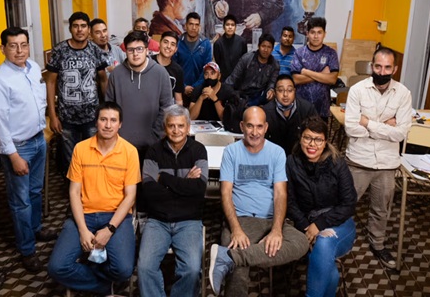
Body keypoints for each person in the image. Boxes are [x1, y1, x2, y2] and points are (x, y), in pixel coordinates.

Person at [208, 107, 308, 296]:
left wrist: (276, 230)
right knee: (238, 270)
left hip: (270, 219)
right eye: (250, 126)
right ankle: (235, 259)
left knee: (301, 242)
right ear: (242, 126)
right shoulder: (231, 152)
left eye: (259, 126)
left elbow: (280, 194)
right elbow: (225, 193)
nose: (255, 132)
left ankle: (229, 258)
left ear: (266, 127)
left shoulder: (277, 152)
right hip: (241, 219)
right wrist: (236, 229)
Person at [0, 27, 56, 273]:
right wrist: (13, 156)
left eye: (23, 45)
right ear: (2, 48)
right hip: (19, 148)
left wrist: (43, 133)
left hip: (38, 140)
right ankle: (27, 249)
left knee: (35, 191)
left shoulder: (34, 68)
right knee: (20, 201)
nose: (19, 50)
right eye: (13, 46)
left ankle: (36, 229)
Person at [47, 102, 140, 295]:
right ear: (96, 122)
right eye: (103, 119)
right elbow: (74, 192)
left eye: (113, 120)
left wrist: (109, 229)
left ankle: (93, 269)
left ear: (120, 124)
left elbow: (130, 196)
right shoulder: (80, 149)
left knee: (123, 269)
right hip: (84, 215)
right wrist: (82, 230)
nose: (108, 125)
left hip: (116, 216)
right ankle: (104, 285)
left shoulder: (130, 151)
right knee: (57, 267)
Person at [345, 46, 412, 269]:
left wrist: (368, 123)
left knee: (381, 208)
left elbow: (400, 133)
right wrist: (385, 125)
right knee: (346, 203)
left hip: (387, 162)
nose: (382, 72)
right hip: (359, 159)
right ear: (371, 66)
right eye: (378, 66)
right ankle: (337, 240)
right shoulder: (357, 90)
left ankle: (378, 243)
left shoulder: (403, 94)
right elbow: (350, 128)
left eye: (387, 67)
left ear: (395, 69)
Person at [138, 105, 208, 297]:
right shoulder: (153, 152)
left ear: (188, 127)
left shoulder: (198, 150)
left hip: (189, 220)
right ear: (165, 127)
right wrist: (185, 185)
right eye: (171, 126)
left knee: (192, 269)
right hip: (157, 220)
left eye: (180, 126)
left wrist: (164, 179)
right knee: (145, 267)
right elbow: (149, 192)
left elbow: (198, 189)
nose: (176, 130)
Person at [286, 116, 357, 297]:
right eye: (307, 138)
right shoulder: (291, 162)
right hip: (305, 224)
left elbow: (349, 203)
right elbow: (289, 201)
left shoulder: (337, 163)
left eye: (318, 139)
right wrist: (306, 227)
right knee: (326, 259)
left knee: (324, 242)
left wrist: (319, 225)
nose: (312, 144)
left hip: (340, 223)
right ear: (300, 138)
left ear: (325, 142)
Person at [46, 11, 108, 172]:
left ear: (88, 29)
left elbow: (103, 79)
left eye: (83, 26)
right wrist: (53, 115)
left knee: (93, 157)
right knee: (69, 160)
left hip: (91, 115)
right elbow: (50, 82)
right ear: (70, 29)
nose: (79, 30)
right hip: (66, 117)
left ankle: (90, 185)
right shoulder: (60, 50)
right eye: (75, 26)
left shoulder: (95, 50)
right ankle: (71, 186)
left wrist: (106, 110)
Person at [106, 31, 173, 160]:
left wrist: (155, 135)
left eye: (139, 49)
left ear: (147, 50)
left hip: (152, 146)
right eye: (131, 50)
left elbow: (167, 108)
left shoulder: (160, 73)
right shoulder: (116, 74)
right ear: (125, 51)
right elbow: (109, 108)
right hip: (121, 145)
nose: (135, 53)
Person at [290, 17, 339, 119]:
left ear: (324, 34)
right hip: (301, 107)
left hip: (322, 108)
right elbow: (296, 79)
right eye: (312, 32)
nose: (316, 36)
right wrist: (323, 74)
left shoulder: (331, 53)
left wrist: (306, 72)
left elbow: (332, 79)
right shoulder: (299, 53)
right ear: (307, 34)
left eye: (319, 32)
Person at [262, 74, 317, 155]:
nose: (285, 94)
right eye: (280, 90)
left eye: (290, 90)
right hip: (273, 155)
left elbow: (317, 134)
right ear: (275, 92)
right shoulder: (265, 112)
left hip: (300, 155)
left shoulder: (307, 108)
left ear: (295, 91)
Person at [225, 33, 279, 107]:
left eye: (269, 47)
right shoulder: (247, 59)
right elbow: (233, 78)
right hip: (242, 94)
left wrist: (270, 90)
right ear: (258, 46)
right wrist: (225, 91)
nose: (266, 50)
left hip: (260, 98)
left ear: (272, 49)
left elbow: (272, 82)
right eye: (263, 46)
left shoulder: (274, 65)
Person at [174, 12, 212, 102]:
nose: (194, 28)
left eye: (196, 25)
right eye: (191, 24)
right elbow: (173, 67)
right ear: (185, 26)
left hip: (199, 91)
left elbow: (206, 69)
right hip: (178, 90)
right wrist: (183, 86)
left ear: (199, 27)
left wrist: (195, 87)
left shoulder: (206, 44)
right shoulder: (177, 42)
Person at [152, 30, 185, 106]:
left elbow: (178, 99)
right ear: (159, 44)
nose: (168, 46)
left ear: (176, 49)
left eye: (172, 44)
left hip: (166, 110)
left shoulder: (178, 70)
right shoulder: (148, 62)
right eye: (165, 42)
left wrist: (179, 111)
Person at [213, 14, 247, 81]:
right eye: (227, 25)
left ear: (235, 27)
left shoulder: (242, 42)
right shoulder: (218, 43)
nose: (230, 27)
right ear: (224, 27)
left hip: (238, 79)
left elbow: (244, 62)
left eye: (232, 25)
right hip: (223, 79)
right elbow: (218, 62)